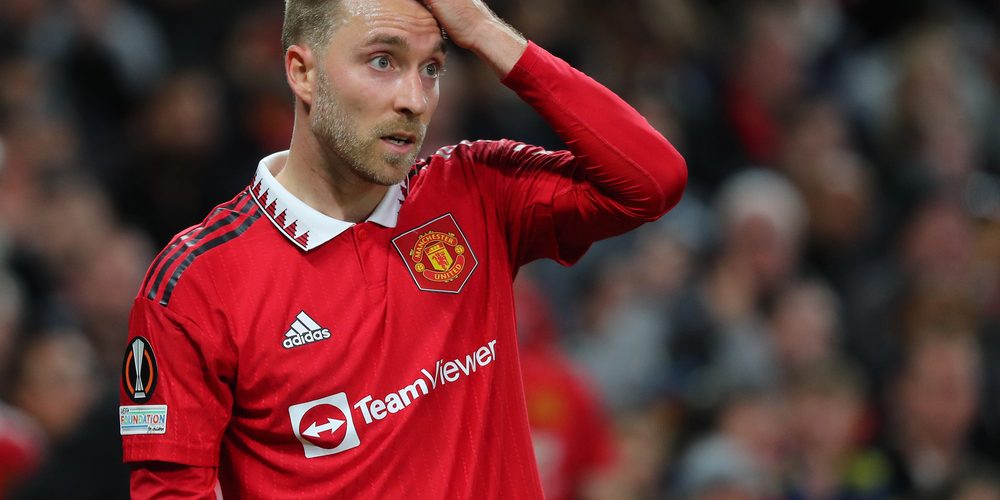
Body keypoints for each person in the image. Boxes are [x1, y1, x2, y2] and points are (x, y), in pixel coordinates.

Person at [118, 0, 686, 497]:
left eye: (432, 67)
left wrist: (488, 31)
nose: (415, 99)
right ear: (301, 72)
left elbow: (652, 180)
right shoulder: (194, 283)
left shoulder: (475, 190)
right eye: (383, 61)